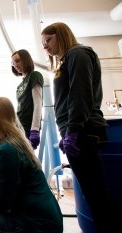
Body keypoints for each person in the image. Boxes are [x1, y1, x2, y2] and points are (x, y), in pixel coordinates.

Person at [41, 22, 117, 233]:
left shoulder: (78, 54)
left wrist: (73, 131)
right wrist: (66, 132)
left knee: (96, 195)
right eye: (43, 43)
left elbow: (80, 94)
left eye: (48, 40)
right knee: (92, 194)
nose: (45, 46)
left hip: (83, 130)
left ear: (62, 35)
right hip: (77, 131)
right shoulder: (67, 60)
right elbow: (68, 99)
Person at [0, 97, 63, 233]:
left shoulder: (7, 149)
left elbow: (4, 198)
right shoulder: (11, 141)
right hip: (37, 208)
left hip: (38, 221)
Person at [11, 49, 44, 150]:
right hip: (19, 126)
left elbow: (38, 104)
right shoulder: (19, 85)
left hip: (29, 127)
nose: (15, 65)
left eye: (17, 61)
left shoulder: (34, 75)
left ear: (25, 59)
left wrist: (34, 130)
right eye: (13, 63)